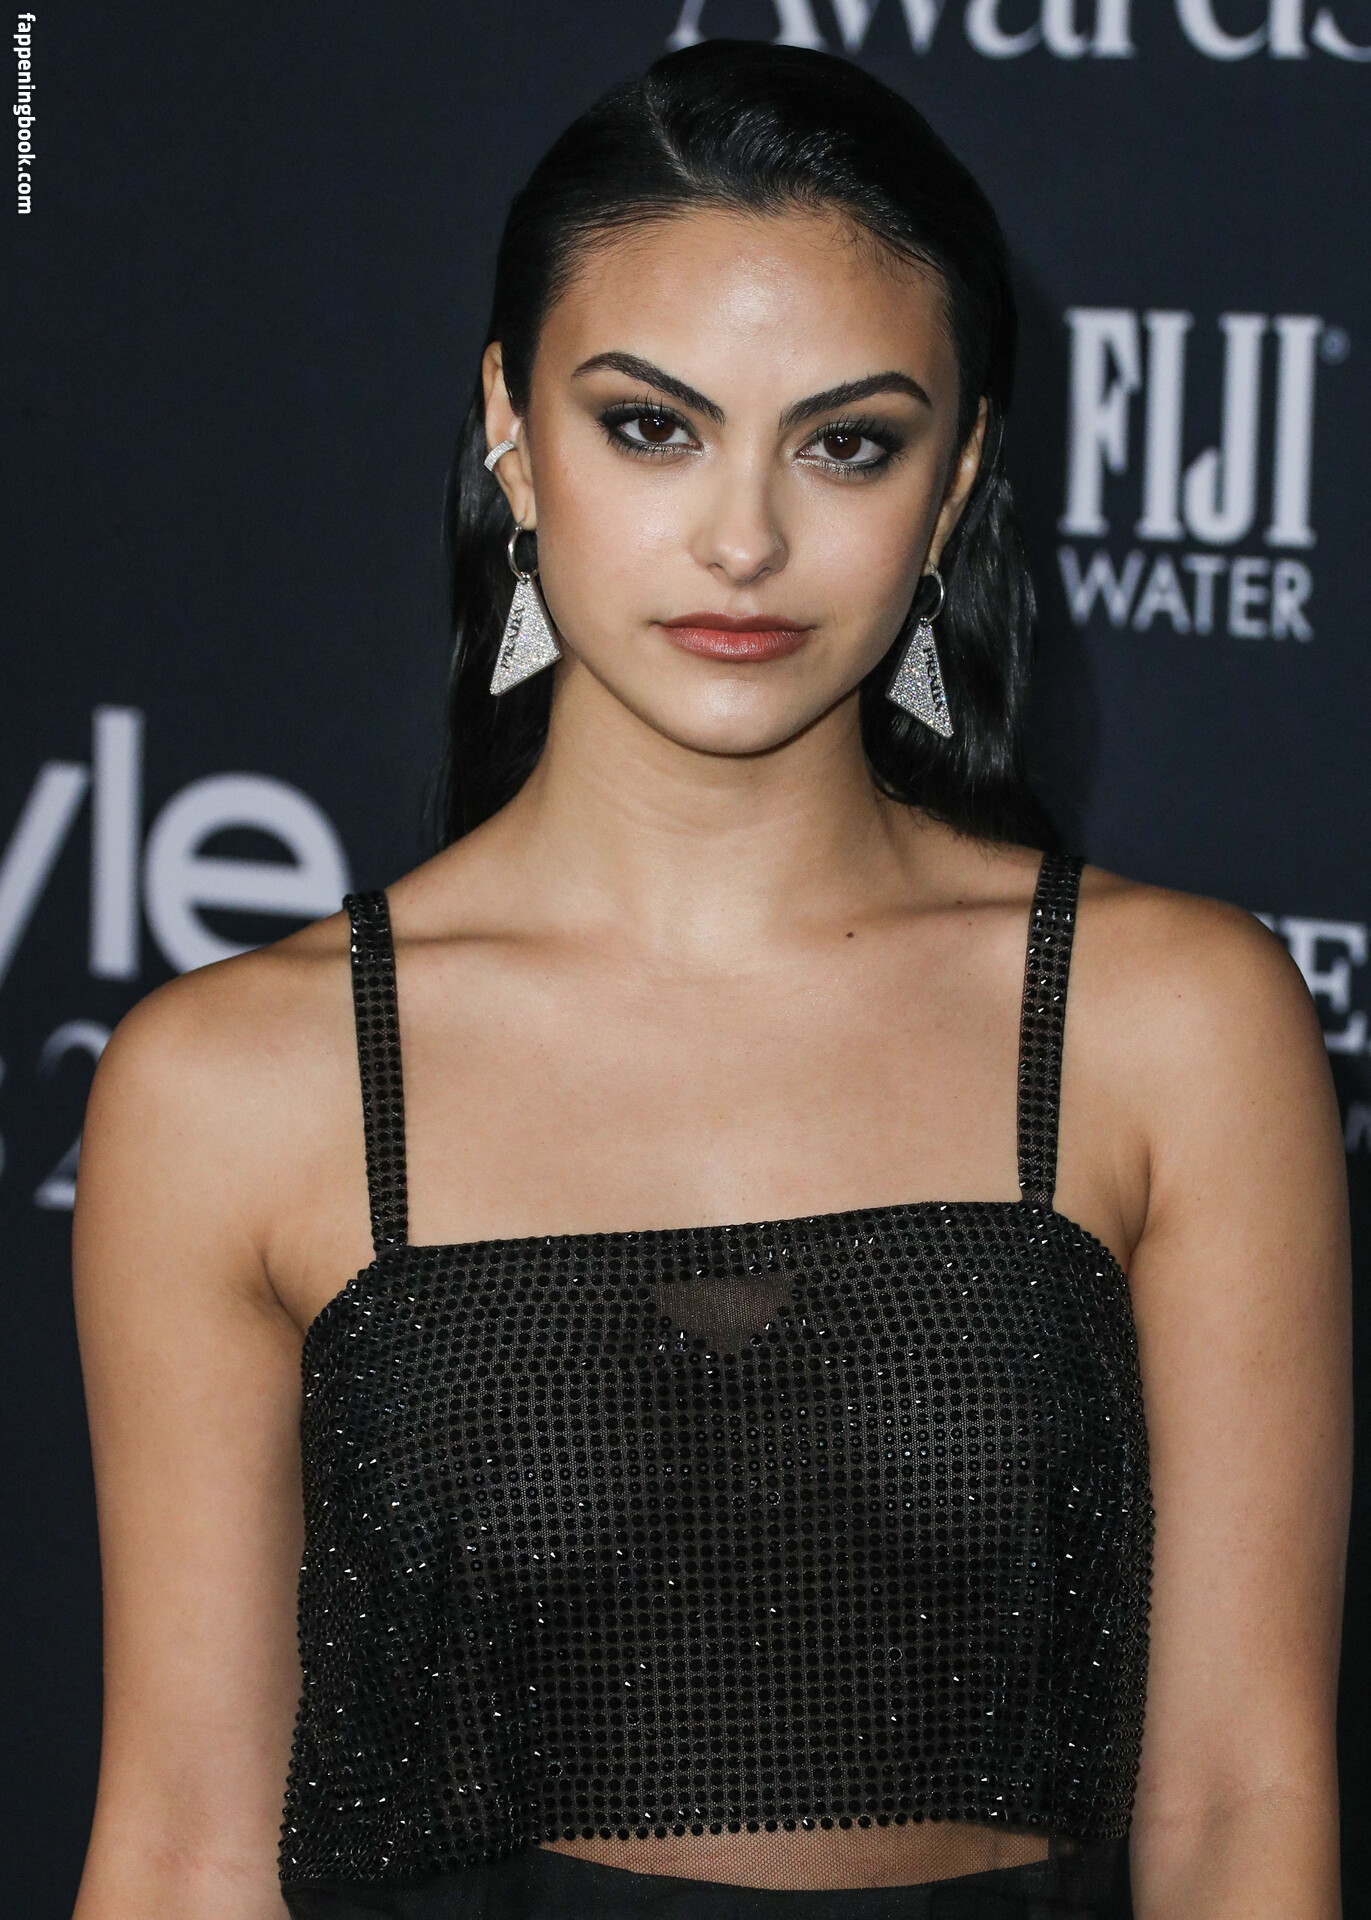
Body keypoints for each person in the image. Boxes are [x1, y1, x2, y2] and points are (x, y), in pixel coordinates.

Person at [70, 38, 1349, 1920]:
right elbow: (187, 1847)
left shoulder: (1173, 1028)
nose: (745, 539)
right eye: (651, 427)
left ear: (956, 479)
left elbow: (1243, 1803)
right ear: (511, 429)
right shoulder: (237, 1084)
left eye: (848, 443)